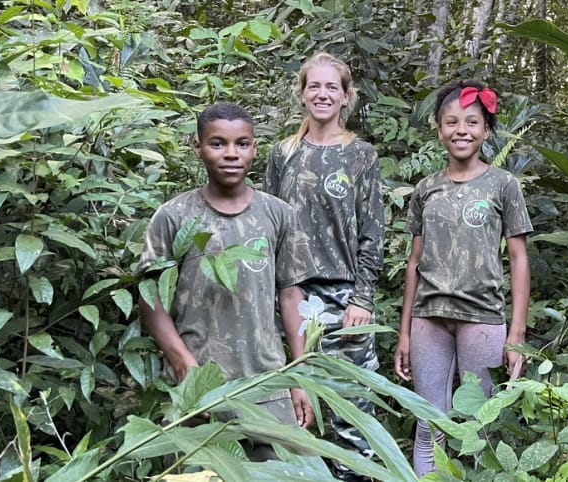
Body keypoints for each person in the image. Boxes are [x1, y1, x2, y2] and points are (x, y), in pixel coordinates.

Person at [139, 102, 316, 460]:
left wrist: (300, 376)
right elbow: (151, 299)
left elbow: (290, 295)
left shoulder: (277, 213)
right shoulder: (174, 217)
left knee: (298, 468)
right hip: (200, 388)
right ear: (198, 147)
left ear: (255, 148)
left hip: (267, 382)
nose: (231, 154)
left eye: (242, 143)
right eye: (217, 143)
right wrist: (183, 366)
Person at [393, 79, 532, 476]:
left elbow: (519, 259)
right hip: (428, 316)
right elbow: (414, 261)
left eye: (472, 122)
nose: (461, 130)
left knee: (478, 427)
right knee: (428, 423)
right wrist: (404, 332)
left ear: (486, 130)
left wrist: (517, 334)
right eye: (451, 122)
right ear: (438, 129)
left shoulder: (503, 185)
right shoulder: (426, 188)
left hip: (483, 318)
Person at [263, 52, 383, 478]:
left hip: (343, 297)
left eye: (332, 86)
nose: (322, 93)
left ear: (346, 96)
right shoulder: (282, 154)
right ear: (301, 93)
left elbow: (372, 232)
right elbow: (268, 229)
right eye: (314, 85)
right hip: (291, 298)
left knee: (351, 415)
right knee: (294, 412)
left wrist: (363, 298)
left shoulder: (360, 155)